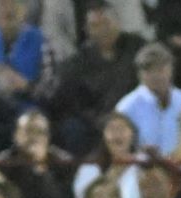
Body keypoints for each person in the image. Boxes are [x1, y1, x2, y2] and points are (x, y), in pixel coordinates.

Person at [46, 0, 145, 154]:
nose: (102, 30)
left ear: (118, 23)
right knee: (72, 127)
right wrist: (100, 119)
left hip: (134, 114)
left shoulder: (137, 48)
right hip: (95, 121)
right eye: (95, 26)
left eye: (106, 23)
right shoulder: (77, 63)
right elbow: (75, 103)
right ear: (87, 30)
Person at [0, 108, 76, 198]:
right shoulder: (3, 163)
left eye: (40, 132)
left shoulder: (63, 162)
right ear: (16, 135)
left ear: (48, 137)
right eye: (29, 131)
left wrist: (40, 168)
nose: (34, 137)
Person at [116, 40, 181, 155]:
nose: (155, 75)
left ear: (171, 69)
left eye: (160, 69)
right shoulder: (126, 108)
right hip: (143, 165)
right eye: (148, 70)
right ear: (139, 74)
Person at [72, 111, 143, 198]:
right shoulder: (91, 166)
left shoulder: (143, 162)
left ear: (132, 135)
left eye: (122, 128)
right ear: (103, 137)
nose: (117, 134)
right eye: (112, 129)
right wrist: (114, 174)